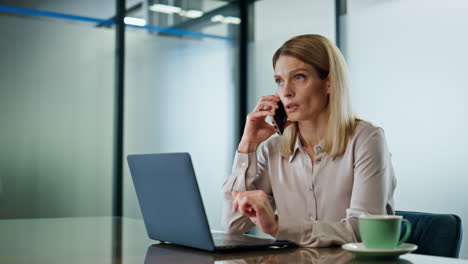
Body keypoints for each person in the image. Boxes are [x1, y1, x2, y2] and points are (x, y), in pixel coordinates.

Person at [221, 34, 396, 247]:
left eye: (299, 77)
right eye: (279, 81)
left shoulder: (366, 139)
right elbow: (233, 225)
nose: (286, 91)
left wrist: (278, 226)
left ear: (329, 83)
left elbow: (362, 230)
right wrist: (247, 146)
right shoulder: (273, 149)